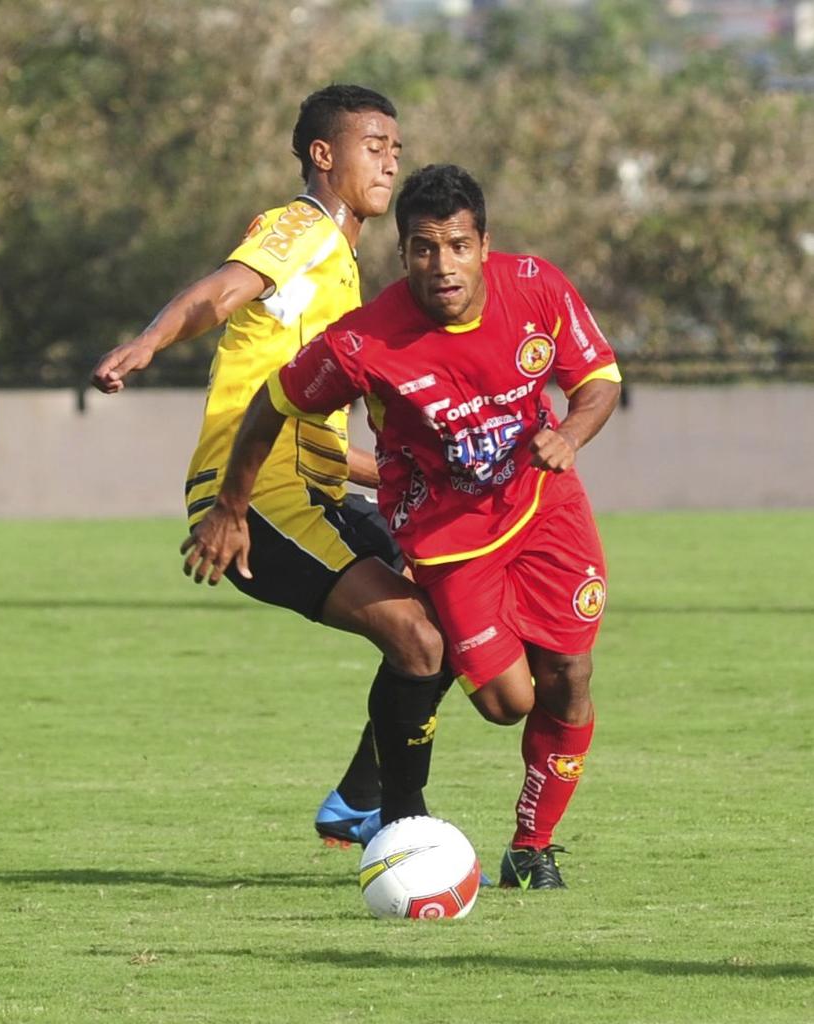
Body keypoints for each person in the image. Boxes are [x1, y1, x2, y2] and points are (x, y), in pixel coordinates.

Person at [181, 163, 623, 890]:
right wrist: (229, 505)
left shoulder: (537, 286)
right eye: (423, 248)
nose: (441, 265)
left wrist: (569, 433)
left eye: (456, 245)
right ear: (403, 254)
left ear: (484, 245)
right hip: (451, 539)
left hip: (547, 510)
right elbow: (271, 405)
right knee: (506, 704)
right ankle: (372, 801)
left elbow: (598, 379)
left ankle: (530, 845)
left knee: (570, 673)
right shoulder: (366, 341)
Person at [90, 85, 453, 849]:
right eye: (373, 145)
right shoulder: (303, 228)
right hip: (254, 498)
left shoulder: (344, 267)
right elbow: (223, 290)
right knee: (421, 640)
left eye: (395, 146)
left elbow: (311, 433)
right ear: (323, 156)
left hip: (306, 486)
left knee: (448, 614)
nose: (390, 160)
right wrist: (149, 343)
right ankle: (401, 829)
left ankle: (361, 801)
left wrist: (400, 472)